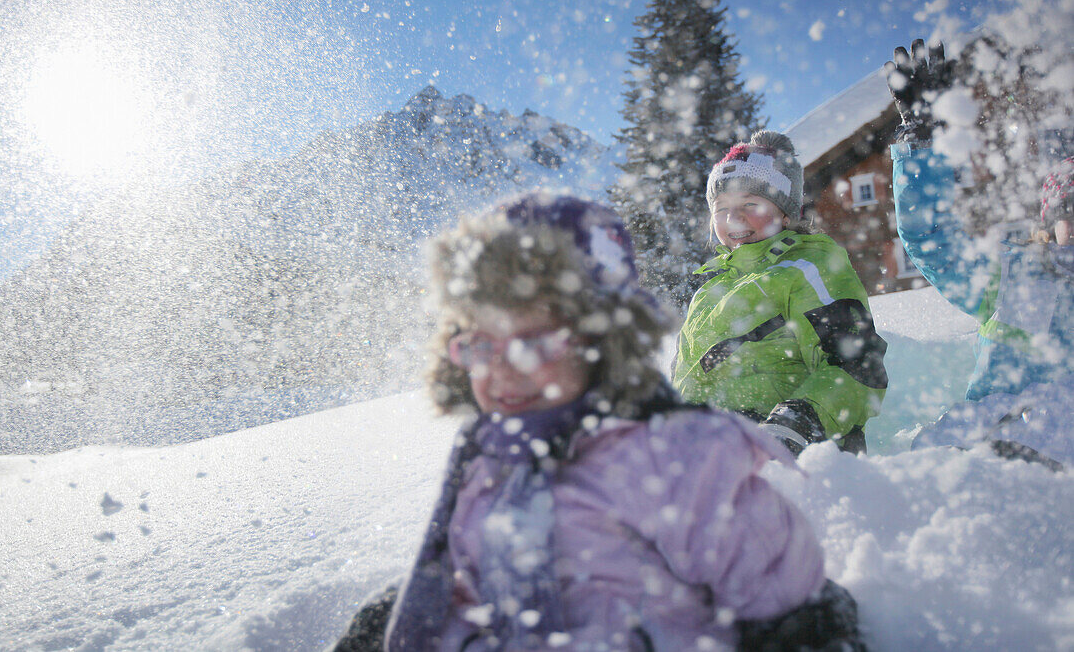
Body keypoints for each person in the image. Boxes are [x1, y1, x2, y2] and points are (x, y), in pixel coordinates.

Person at [333, 192, 864, 651]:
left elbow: (784, 591)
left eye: (535, 341)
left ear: (601, 345)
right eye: (480, 343)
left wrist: (808, 632)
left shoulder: (676, 462)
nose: (503, 369)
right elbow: (469, 575)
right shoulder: (484, 457)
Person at [885, 39, 1074, 466]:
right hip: (974, 451)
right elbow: (930, 237)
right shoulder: (1013, 274)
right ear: (1049, 223)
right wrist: (921, 141)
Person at [671, 130, 888, 457]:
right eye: (721, 207)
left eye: (750, 203)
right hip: (709, 451)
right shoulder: (709, 291)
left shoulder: (809, 268)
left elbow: (856, 365)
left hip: (795, 452)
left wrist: (798, 421)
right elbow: (686, 379)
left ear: (786, 213)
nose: (733, 218)